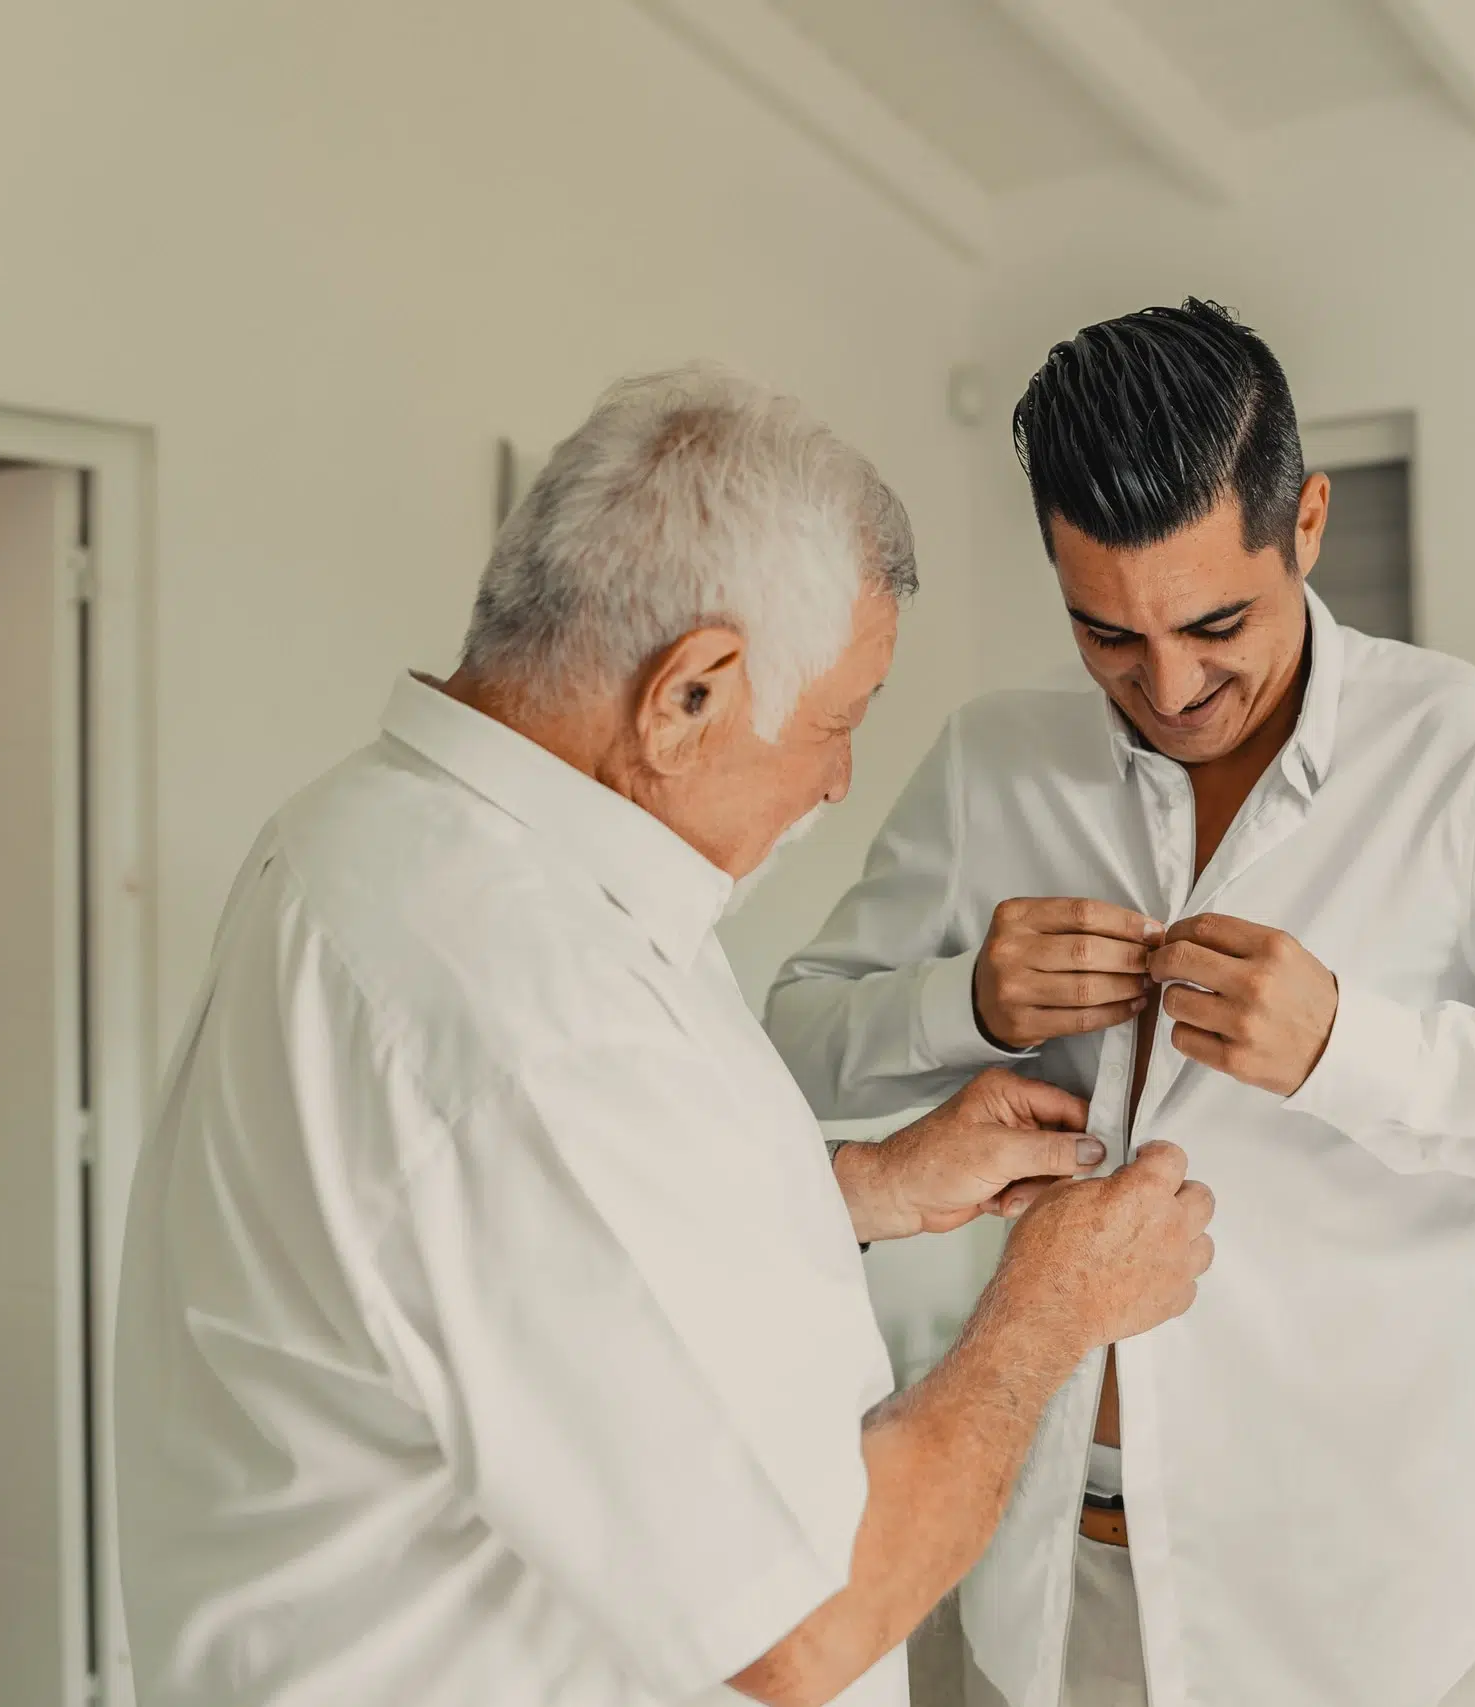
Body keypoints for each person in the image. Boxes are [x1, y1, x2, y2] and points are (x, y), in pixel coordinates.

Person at [113, 366, 1218, 1707]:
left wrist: (860, 1190)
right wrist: (1049, 1310)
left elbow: (522, 1267)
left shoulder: (376, 836)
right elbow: (802, 1625)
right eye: (840, 721)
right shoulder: (535, 1022)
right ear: (689, 692)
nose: (838, 780)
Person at [764, 301, 1475, 1707]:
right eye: (1107, 633)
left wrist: (1353, 1051)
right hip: (1046, 1581)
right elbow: (791, 1043)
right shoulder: (992, 760)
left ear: (1305, 523)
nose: (1169, 686)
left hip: (1351, 1609)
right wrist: (966, 1002)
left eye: (1215, 622)